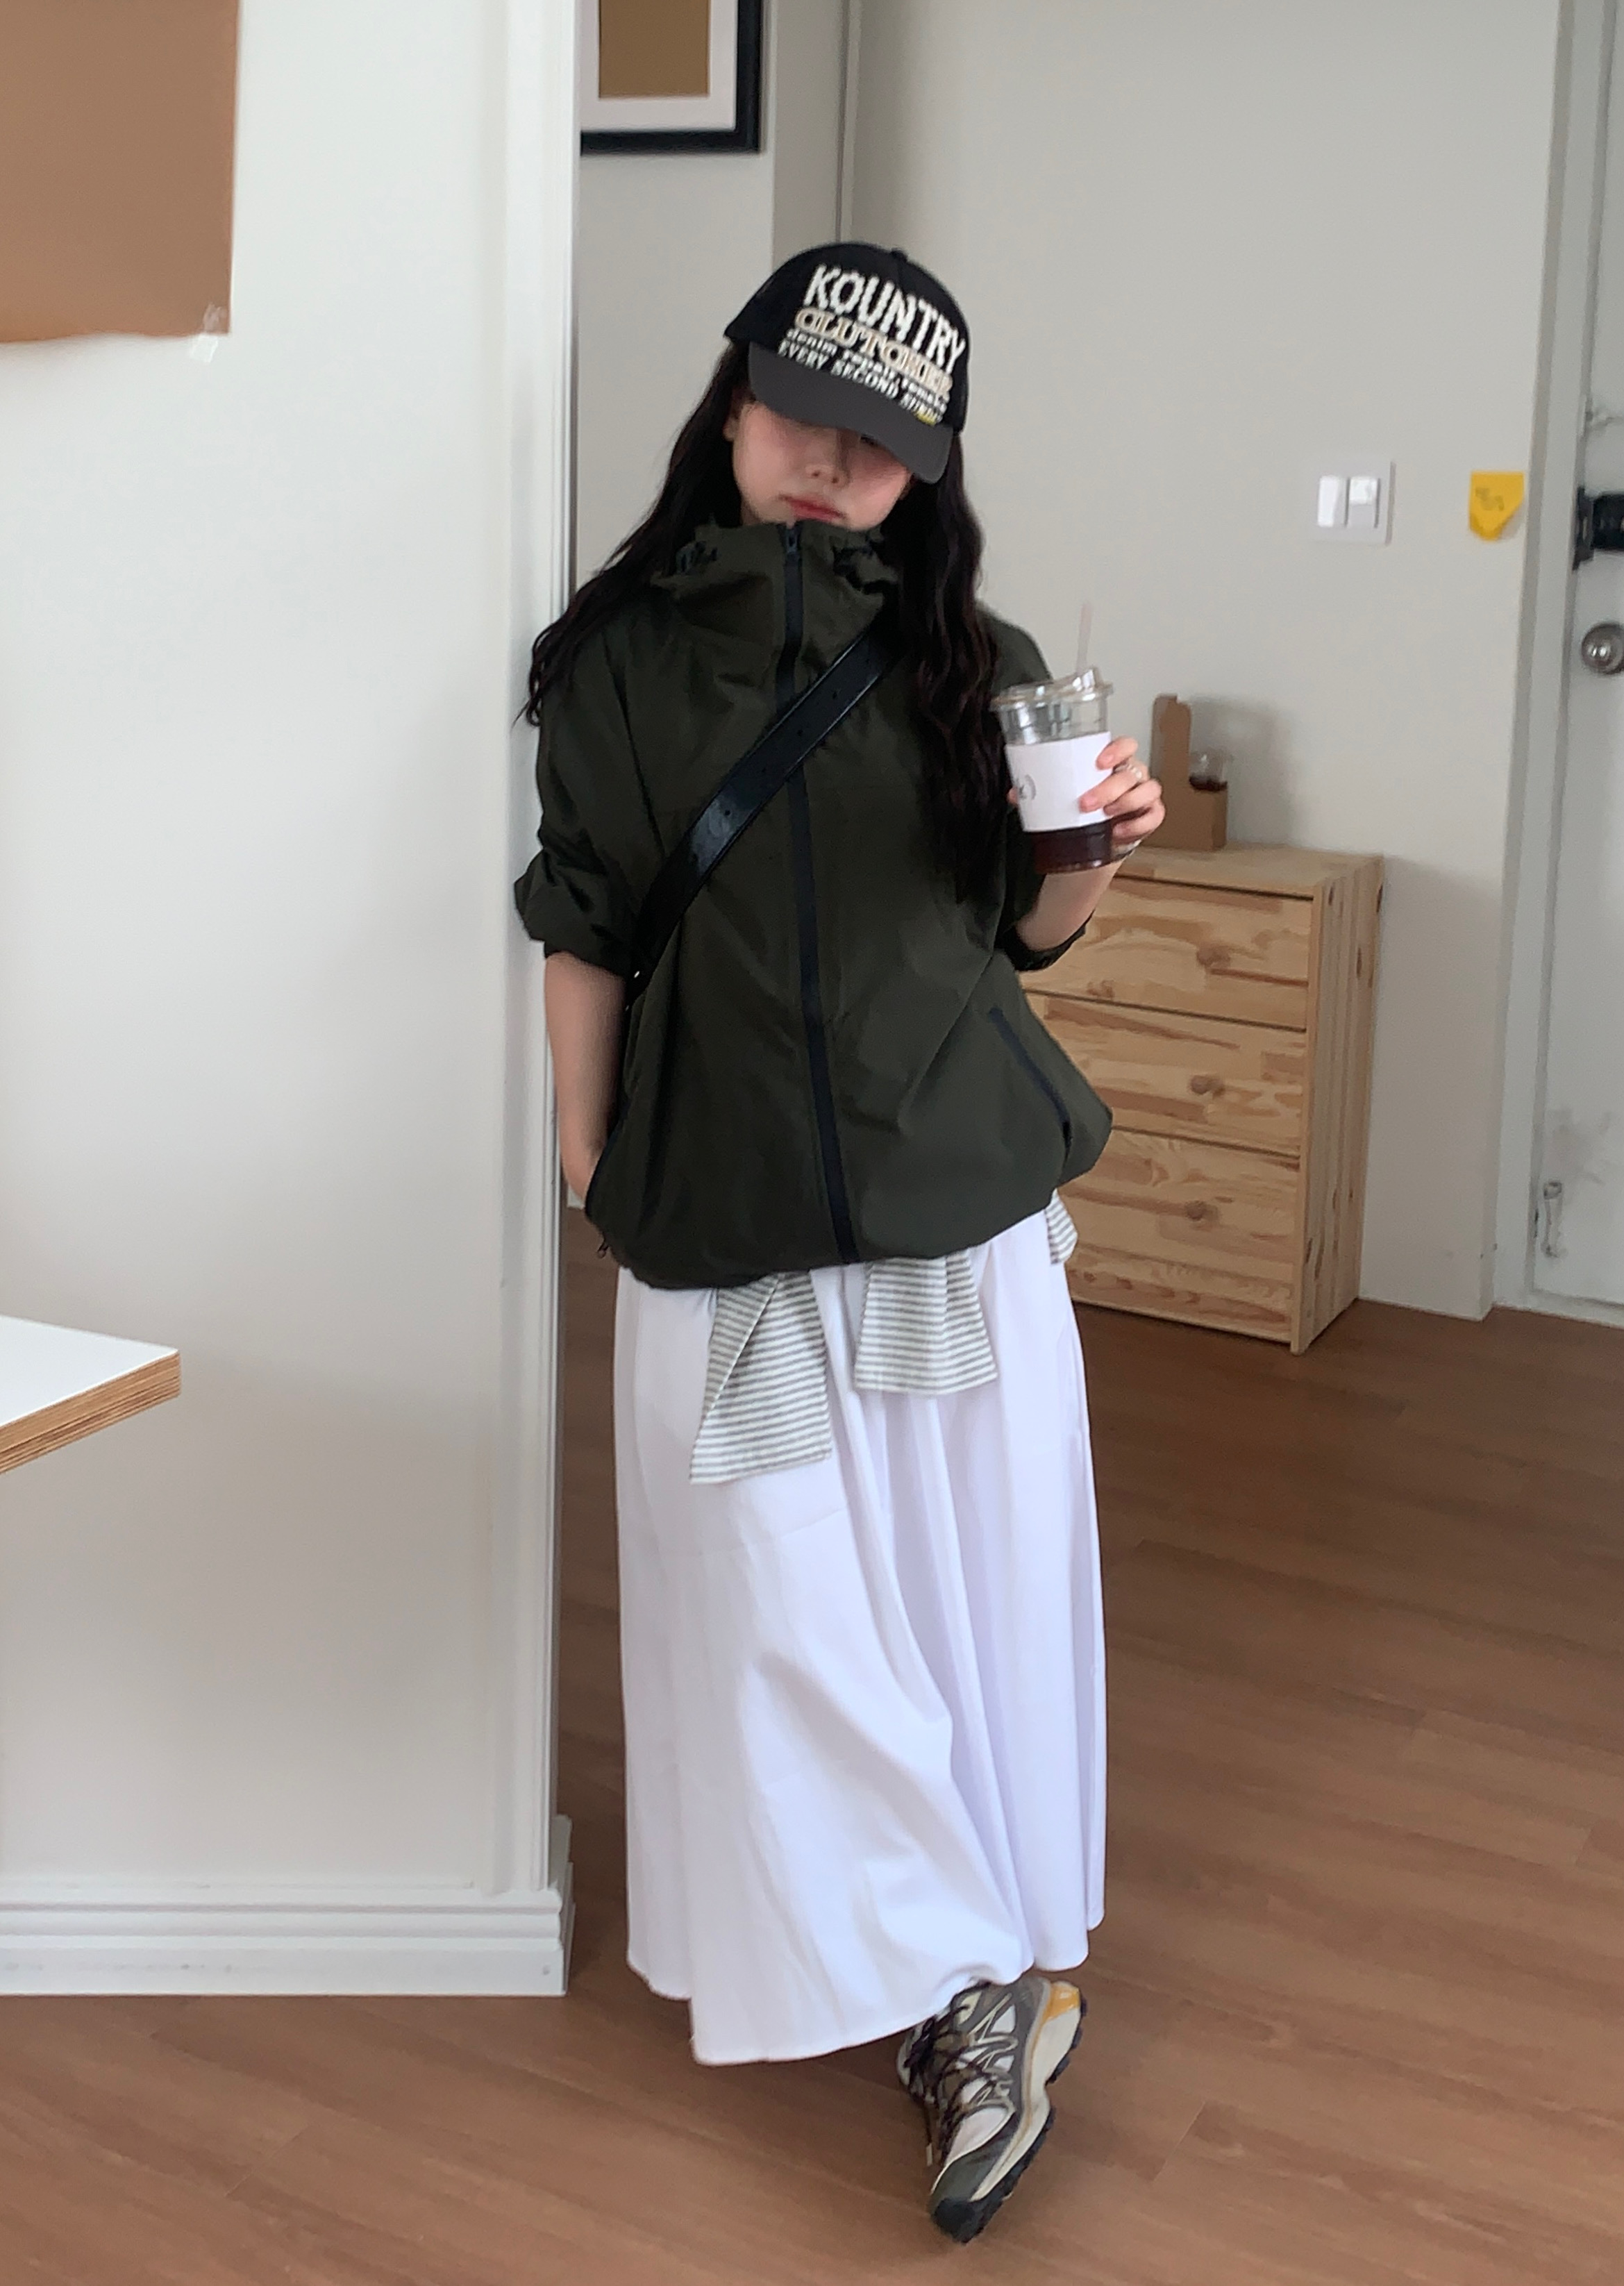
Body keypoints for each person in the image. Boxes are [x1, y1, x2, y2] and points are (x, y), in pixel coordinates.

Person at [514, 242, 1164, 2244]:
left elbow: (1019, 936)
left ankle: (972, 1984)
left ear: (925, 470)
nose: (829, 461)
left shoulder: (976, 652)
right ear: (735, 400)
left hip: (952, 1200)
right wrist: (583, 1151)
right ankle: (955, 1964)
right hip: (725, 1209)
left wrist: (1086, 853)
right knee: (776, 1602)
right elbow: (585, 912)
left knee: (963, 1587)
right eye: (803, 414)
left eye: (877, 444)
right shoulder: (616, 658)